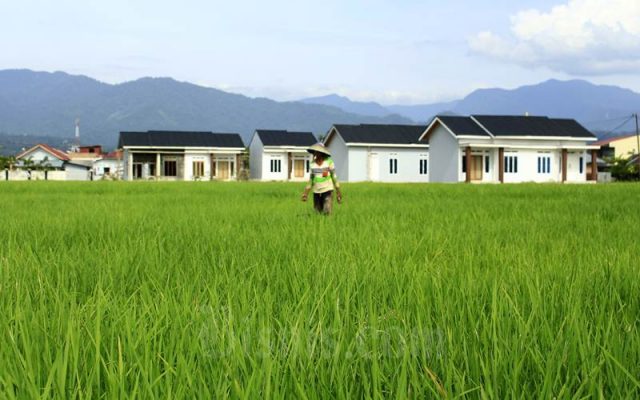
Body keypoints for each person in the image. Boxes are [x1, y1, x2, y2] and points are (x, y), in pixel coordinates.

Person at [301, 143, 342, 215]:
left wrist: (338, 192)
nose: (316, 153)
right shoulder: (312, 164)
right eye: (315, 151)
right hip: (316, 192)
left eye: (318, 151)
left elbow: (334, 177)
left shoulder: (329, 162)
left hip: (327, 190)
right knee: (317, 213)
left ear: (322, 152)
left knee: (327, 211)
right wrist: (305, 193)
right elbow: (311, 180)